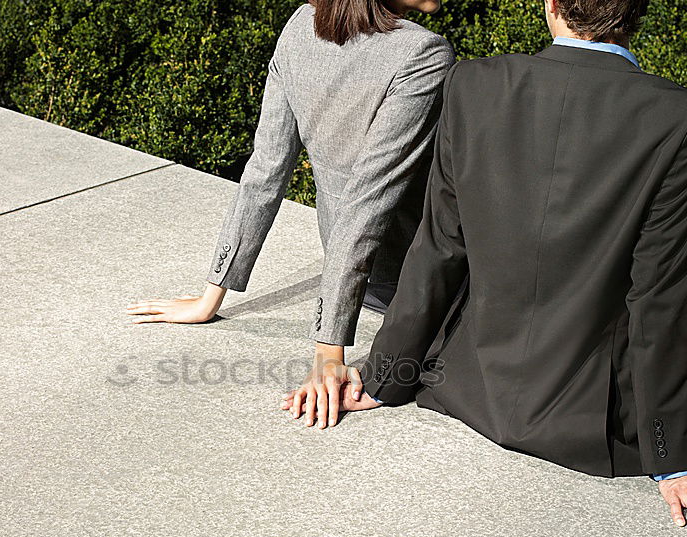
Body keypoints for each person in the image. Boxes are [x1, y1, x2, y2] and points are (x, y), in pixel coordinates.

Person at [283, 0, 687, 537]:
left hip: (470, 386)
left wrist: (386, 377)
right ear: (638, 14)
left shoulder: (472, 83)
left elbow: (440, 248)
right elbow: (660, 296)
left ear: (552, 6)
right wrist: (674, 457)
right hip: (593, 419)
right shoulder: (682, 115)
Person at [126, 0, 454, 409]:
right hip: (421, 281)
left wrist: (211, 295)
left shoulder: (302, 25)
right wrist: (328, 353)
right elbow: (366, 202)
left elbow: (265, 170)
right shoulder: (424, 53)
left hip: (363, 281)